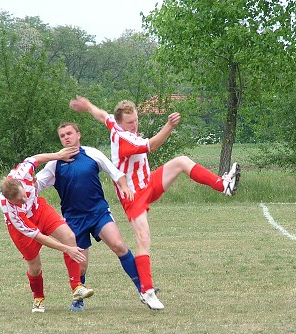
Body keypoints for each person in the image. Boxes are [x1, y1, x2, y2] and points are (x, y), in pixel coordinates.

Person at [69, 96, 241, 310]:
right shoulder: (125, 139)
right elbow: (154, 144)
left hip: (148, 182)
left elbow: (102, 115)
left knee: (182, 161)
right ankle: (147, 291)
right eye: (131, 123)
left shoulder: (115, 122)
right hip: (133, 195)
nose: (135, 125)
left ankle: (223, 185)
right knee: (143, 238)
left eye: (136, 120)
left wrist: (87, 106)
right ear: (122, 124)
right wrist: (169, 125)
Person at [36, 122, 146, 311]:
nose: (66, 137)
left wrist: (125, 186)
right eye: (62, 136)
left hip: (98, 212)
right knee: (81, 265)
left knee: (119, 245)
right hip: (74, 219)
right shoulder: (55, 163)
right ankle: (78, 300)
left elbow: (115, 172)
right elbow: (36, 184)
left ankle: (144, 290)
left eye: (69, 133)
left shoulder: (92, 153)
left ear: (78, 134)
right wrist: (22, 184)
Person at [0, 148, 94, 313]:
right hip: (22, 227)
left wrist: (58, 156)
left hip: (39, 210)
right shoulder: (11, 211)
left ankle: (76, 286)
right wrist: (66, 249)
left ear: (21, 183)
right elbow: (39, 237)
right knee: (35, 267)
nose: (24, 199)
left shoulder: (22, 173)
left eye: (23, 195)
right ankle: (38, 298)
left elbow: (34, 158)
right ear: (9, 200)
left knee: (69, 237)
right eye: (19, 200)